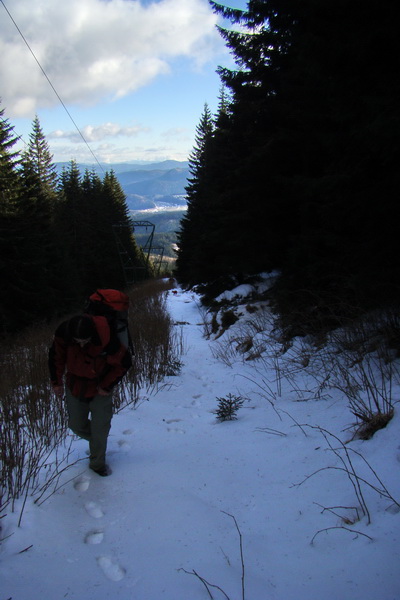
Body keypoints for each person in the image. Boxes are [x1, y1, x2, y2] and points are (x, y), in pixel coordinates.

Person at [48, 314, 132, 476]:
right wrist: (56, 382)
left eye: (84, 341)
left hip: (100, 386)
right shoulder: (64, 334)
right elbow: (56, 357)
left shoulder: (107, 339)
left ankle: (97, 464)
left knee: (100, 427)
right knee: (76, 425)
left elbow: (123, 363)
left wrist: (106, 386)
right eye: (77, 341)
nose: (81, 344)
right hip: (75, 384)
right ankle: (98, 443)